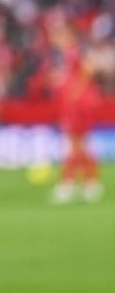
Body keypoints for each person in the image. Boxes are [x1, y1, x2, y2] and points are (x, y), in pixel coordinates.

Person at [52, 43, 103, 204]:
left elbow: (89, 69)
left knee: (78, 148)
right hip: (74, 111)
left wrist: (76, 90)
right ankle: (85, 183)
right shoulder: (71, 77)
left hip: (80, 112)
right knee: (78, 149)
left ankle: (77, 183)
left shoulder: (75, 57)